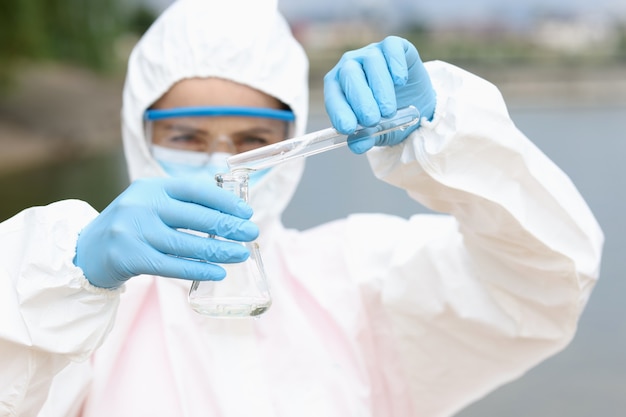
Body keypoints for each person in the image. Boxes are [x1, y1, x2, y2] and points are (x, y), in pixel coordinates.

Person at [0, 0, 603, 416]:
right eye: (184, 136)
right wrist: (62, 277)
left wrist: (445, 132)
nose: (220, 164)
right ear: (139, 131)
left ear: (295, 136)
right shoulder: (74, 313)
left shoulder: (357, 277)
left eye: (254, 140)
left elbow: (545, 283)